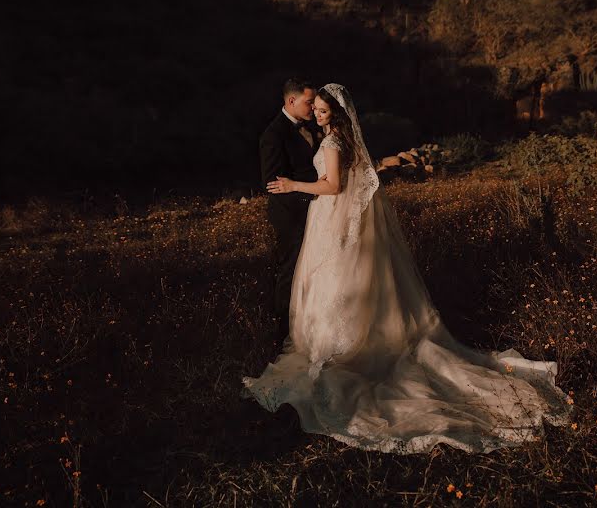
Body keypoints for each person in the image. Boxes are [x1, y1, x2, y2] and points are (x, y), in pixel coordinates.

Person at [243, 84, 572, 454]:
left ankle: (338, 347)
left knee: (332, 281)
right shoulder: (342, 140)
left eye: (321, 110)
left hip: (330, 214)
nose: (317, 115)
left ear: (334, 112)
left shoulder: (333, 143)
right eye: (314, 109)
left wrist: (292, 184)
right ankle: (338, 340)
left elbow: (333, 186)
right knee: (336, 280)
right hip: (330, 219)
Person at [258, 78, 321, 344]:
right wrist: (311, 193)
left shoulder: (313, 127)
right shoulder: (273, 135)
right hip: (291, 214)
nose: (314, 107)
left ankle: (311, 324)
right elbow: (272, 182)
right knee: (290, 271)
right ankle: (282, 335)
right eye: (309, 102)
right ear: (291, 101)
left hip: (317, 208)